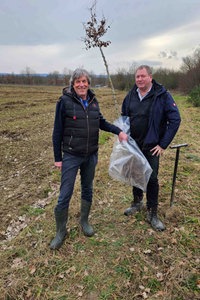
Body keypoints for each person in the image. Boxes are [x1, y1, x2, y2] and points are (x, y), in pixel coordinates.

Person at [50, 68, 128, 250]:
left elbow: (101, 122)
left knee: (87, 188)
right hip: (70, 155)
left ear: (89, 84)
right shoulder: (64, 101)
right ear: (73, 84)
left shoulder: (93, 101)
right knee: (65, 194)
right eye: (78, 81)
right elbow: (57, 131)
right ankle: (61, 231)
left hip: (90, 155)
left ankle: (84, 222)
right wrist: (57, 158)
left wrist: (119, 131)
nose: (81, 84)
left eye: (84, 81)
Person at [121, 65, 181, 231]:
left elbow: (175, 120)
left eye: (142, 76)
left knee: (152, 178)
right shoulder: (131, 95)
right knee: (135, 174)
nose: (139, 79)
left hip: (152, 146)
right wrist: (124, 137)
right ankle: (137, 202)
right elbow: (124, 118)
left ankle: (152, 213)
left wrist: (162, 144)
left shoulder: (161, 95)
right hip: (134, 144)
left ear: (150, 77)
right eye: (137, 77)